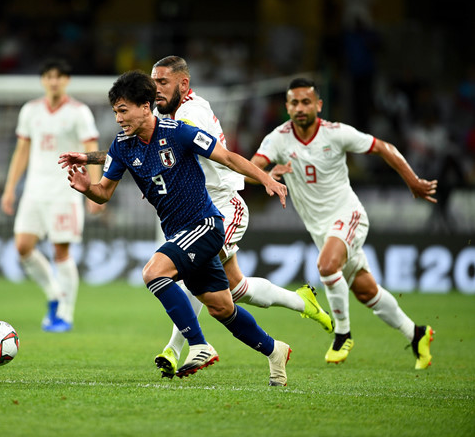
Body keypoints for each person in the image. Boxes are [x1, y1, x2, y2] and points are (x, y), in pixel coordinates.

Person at [59, 56, 333, 379]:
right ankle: (275, 350)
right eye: (115, 112)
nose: (118, 118)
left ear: (145, 106)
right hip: (179, 229)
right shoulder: (126, 143)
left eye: (123, 110)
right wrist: (86, 187)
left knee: (154, 272)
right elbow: (105, 190)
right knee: (224, 304)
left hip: (210, 218)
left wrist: (267, 178)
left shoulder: (184, 125)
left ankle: (193, 346)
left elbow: (227, 156)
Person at [250, 77, 437, 369]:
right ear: (287, 106)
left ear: (318, 105)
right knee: (366, 291)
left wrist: (413, 182)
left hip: (348, 215)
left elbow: (384, 147)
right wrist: (267, 175)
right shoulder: (278, 138)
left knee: (326, 266)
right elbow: (250, 169)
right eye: (294, 103)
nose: (300, 108)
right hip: (320, 229)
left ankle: (342, 333)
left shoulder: (336, 134)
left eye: (306, 102)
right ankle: (417, 334)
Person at [1, 58, 102, 333]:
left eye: (59, 76)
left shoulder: (79, 112)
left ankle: (65, 314)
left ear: (66, 80)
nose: (54, 81)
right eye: (49, 76)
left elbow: (91, 148)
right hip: (34, 190)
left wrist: (95, 190)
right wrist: (10, 188)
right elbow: (21, 151)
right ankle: (54, 295)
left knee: (61, 250)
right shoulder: (30, 111)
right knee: (22, 246)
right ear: (43, 80)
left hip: (65, 191)